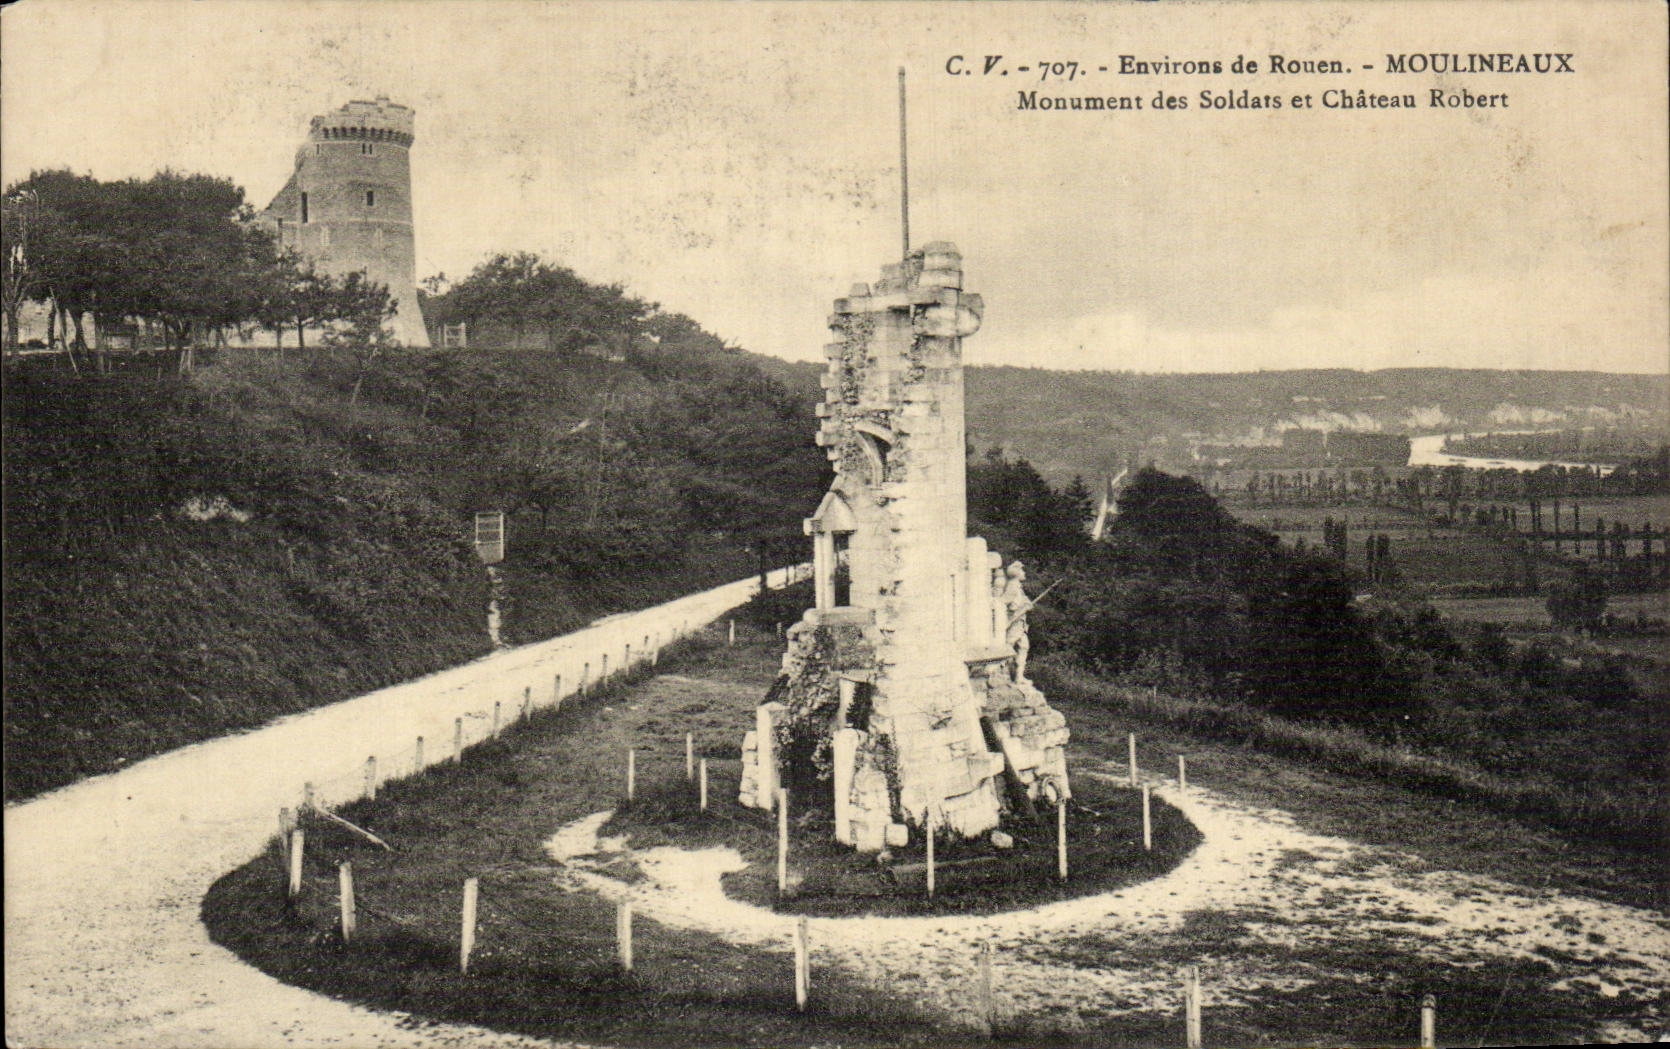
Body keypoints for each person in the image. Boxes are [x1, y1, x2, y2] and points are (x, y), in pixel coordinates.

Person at [1001, 561, 1033, 683]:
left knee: (1023, 646)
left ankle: (1019, 677)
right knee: (1009, 645)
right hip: (1015, 622)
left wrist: (1026, 605)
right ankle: (998, 671)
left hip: (1021, 623)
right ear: (1017, 573)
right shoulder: (1013, 586)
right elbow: (1003, 603)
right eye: (1022, 570)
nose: (1024, 573)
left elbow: (1023, 602)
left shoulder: (1018, 587)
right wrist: (1020, 608)